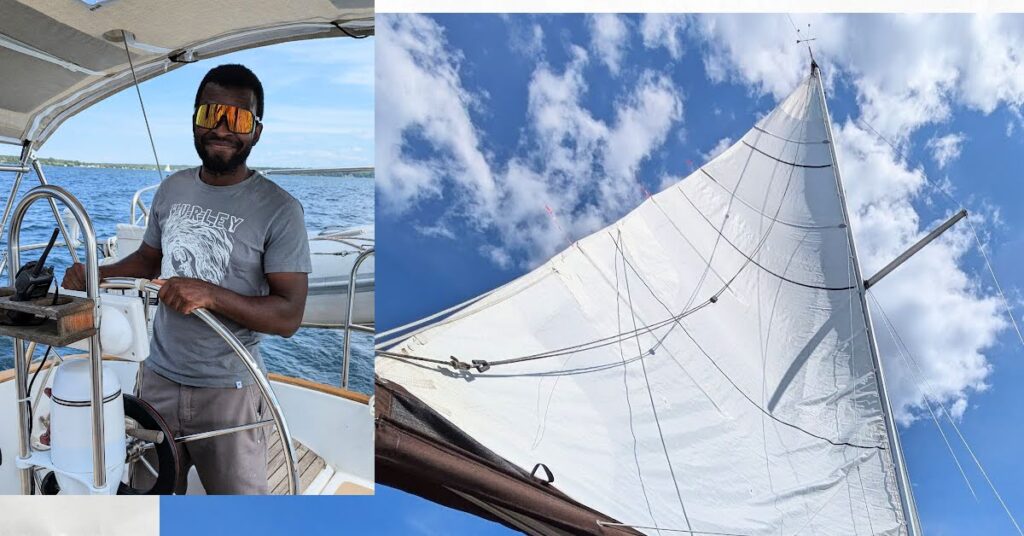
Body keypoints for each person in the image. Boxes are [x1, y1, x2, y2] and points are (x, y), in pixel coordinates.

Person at [62, 64, 311, 494]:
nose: (222, 128)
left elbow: (288, 315)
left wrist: (211, 294)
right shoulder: (171, 189)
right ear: (194, 120)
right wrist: (95, 274)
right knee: (149, 502)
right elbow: (147, 259)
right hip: (157, 377)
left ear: (256, 131)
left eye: (238, 118)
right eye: (210, 114)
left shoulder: (279, 209)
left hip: (229, 390)